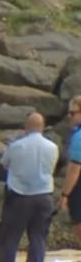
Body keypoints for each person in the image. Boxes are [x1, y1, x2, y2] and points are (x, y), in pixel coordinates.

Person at [0, 113, 58, 262]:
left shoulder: (16, 146)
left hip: (20, 195)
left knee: (10, 238)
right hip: (44, 195)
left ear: (26, 127)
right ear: (43, 127)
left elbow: (4, 163)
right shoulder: (52, 147)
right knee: (38, 238)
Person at [61, 96, 81, 246]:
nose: (69, 116)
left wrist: (65, 194)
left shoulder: (79, 136)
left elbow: (75, 167)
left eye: (72, 113)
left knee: (78, 225)